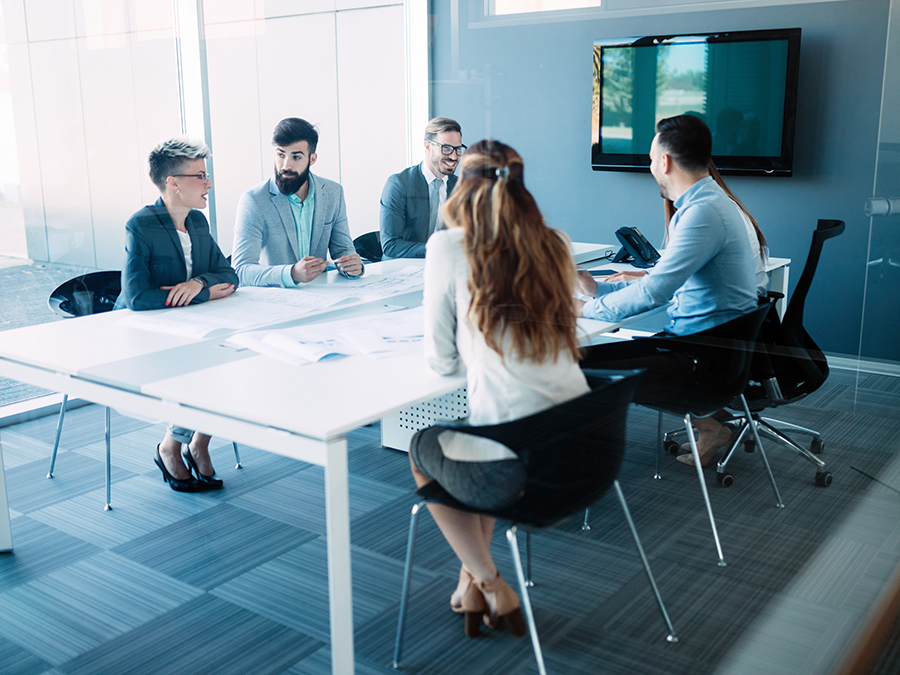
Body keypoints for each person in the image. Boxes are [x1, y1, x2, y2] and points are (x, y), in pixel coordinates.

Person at [409, 140, 589, 638]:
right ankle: (468, 584)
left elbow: (441, 360)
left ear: (463, 187)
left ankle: (490, 583)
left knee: (424, 450)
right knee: (479, 436)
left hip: (516, 463)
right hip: (583, 452)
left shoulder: (448, 246)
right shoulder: (556, 242)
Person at [577, 115, 758, 467]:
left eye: (649, 159)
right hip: (705, 352)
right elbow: (664, 284)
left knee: (575, 363)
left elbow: (654, 293)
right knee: (588, 353)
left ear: (665, 162)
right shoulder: (710, 204)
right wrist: (596, 290)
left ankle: (580, 469)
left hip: (697, 363)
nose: (650, 168)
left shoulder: (703, 213)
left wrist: (581, 310)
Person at [120, 137, 238, 492]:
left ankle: (197, 442)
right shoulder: (141, 225)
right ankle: (170, 447)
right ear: (173, 182)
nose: (209, 184)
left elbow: (228, 275)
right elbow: (137, 297)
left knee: (229, 360)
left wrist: (200, 281)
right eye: (200, 176)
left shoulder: (198, 223)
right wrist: (203, 292)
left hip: (192, 326)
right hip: (150, 333)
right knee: (205, 369)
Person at [232, 118, 363, 287]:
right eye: (281, 155)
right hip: (274, 298)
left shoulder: (333, 193)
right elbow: (240, 270)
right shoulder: (253, 200)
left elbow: (343, 251)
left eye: (296, 157)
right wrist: (291, 273)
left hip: (323, 294)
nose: (286, 165)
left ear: (312, 159)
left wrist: (353, 267)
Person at [379, 117, 464, 259]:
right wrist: (436, 249)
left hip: (445, 266)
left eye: (458, 149)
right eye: (446, 148)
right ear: (427, 146)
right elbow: (391, 245)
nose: (454, 156)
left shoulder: (460, 187)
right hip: (402, 268)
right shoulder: (399, 184)